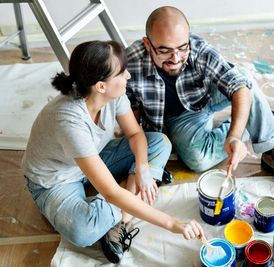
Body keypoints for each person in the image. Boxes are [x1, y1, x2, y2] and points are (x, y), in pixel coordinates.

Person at [21, 40, 204, 264]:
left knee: (159, 143)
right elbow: (111, 194)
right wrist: (172, 224)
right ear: (100, 86)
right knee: (83, 231)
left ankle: (123, 209)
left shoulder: (112, 95)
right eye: (122, 72)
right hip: (56, 179)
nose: (128, 76)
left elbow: (136, 135)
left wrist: (143, 168)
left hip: (93, 156)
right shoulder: (69, 120)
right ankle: (128, 202)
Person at [125, 6, 274, 195]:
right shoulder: (130, 63)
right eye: (164, 51)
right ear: (147, 44)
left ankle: (273, 147)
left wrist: (234, 137)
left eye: (182, 49)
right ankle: (258, 120)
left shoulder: (198, 48)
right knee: (198, 160)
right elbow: (132, 117)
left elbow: (238, 85)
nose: (175, 59)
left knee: (243, 78)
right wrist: (147, 160)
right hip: (177, 117)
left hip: (205, 97)